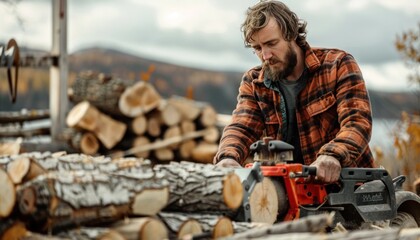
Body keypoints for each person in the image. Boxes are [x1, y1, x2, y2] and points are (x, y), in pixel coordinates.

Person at [213, 0, 375, 183]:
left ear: (292, 34)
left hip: (349, 188)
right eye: (258, 48)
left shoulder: (337, 64)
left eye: (271, 43)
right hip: (286, 192)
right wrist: (228, 157)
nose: (265, 56)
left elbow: (357, 123)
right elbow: (242, 126)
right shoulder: (254, 82)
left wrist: (333, 155)